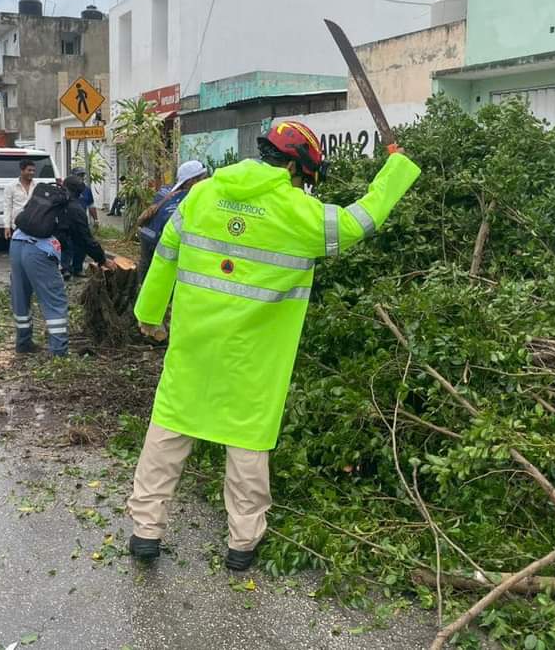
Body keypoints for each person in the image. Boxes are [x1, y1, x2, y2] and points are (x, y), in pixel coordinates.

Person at [126, 121, 421, 571]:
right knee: (246, 443)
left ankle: (145, 532)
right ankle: (241, 545)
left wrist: (148, 316)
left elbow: (166, 252)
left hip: (193, 345)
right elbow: (361, 220)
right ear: (296, 168)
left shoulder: (202, 194)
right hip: (253, 359)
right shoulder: (298, 212)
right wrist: (396, 168)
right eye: (306, 177)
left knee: (169, 428)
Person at [9, 173, 114, 356]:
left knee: (21, 296)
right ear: (80, 194)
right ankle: (59, 351)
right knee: (55, 301)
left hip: (17, 242)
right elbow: (85, 239)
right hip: (39, 251)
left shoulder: (45, 196)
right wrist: (102, 259)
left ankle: (23, 343)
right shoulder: (73, 208)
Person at [136, 160, 207, 282]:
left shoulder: (165, 190)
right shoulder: (190, 198)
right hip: (161, 242)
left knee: (146, 276)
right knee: (162, 278)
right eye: (203, 178)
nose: (206, 181)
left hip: (147, 236)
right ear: (191, 181)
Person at [3, 158, 36, 240]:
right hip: (17, 226)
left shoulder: (37, 186)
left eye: (33, 171)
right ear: (22, 170)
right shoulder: (11, 186)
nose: (32, 173)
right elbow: (7, 207)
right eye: (29, 170)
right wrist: (7, 226)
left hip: (34, 225)